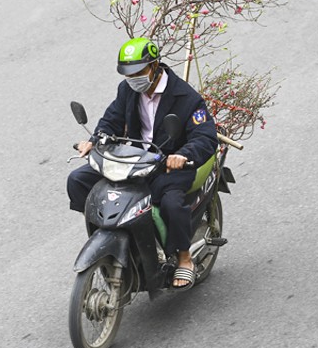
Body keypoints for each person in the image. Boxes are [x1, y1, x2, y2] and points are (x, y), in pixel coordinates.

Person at [67, 37, 220, 288]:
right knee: (78, 179)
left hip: (169, 166)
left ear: (155, 65)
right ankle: (110, 232)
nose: (133, 78)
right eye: (129, 74)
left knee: (171, 203)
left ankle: (183, 258)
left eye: (138, 72)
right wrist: (94, 141)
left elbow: (205, 136)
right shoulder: (128, 89)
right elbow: (111, 120)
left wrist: (183, 155)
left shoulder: (186, 97)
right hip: (135, 161)